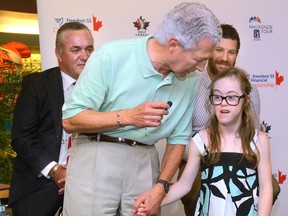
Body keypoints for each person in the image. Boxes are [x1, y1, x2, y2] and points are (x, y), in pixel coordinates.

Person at [61, 2, 221, 216]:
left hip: (146, 161)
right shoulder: (111, 56)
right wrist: (127, 116)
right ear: (173, 44)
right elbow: (71, 120)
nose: (201, 68)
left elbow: (179, 139)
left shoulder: (191, 79)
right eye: (197, 59)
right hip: (96, 155)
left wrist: (161, 185)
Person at [136, 67, 273, 216]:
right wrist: (152, 202)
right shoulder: (201, 139)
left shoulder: (258, 140)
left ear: (245, 100)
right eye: (218, 97)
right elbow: (184, 185)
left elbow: (266, 189)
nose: (223, 103)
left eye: (232, 97)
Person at [177, 24, 280, 216]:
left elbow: (252, 132)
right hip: (200, 158)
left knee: (271, 187)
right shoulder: (190, 86)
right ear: (209, 51)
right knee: (193, 190)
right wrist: (204, 154)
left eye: (231, 52)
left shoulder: (249, 90)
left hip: (240, 157)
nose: (225, 58)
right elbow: (178, 138)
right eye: (219, 50)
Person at [8, 22, 94, 216]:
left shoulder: (102, 88)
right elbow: (22, 138)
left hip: (87, 185)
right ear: (58, 53)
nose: (85, 56)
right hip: (39, 183)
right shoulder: (36, 85)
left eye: (89, 49)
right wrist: (55, 171)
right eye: (76, 50)